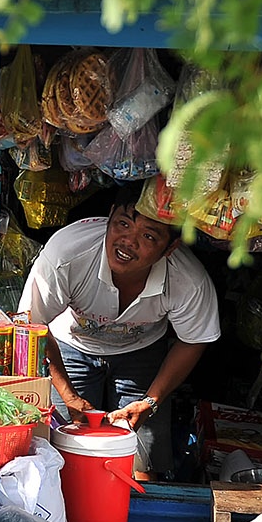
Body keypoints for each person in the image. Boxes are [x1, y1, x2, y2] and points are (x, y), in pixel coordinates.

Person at [18, 185, 220, 479]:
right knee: (62, 450)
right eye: (123, 224)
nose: (128, 242)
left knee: (145, 463)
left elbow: (193, 340)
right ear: (109, 216)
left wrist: (151, 401)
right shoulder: (67, 253)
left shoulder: (189, 281)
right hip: (67, 346)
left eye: (149, 236)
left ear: (171, 247)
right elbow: (31, 326)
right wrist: (68, 395)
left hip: (141, 352)